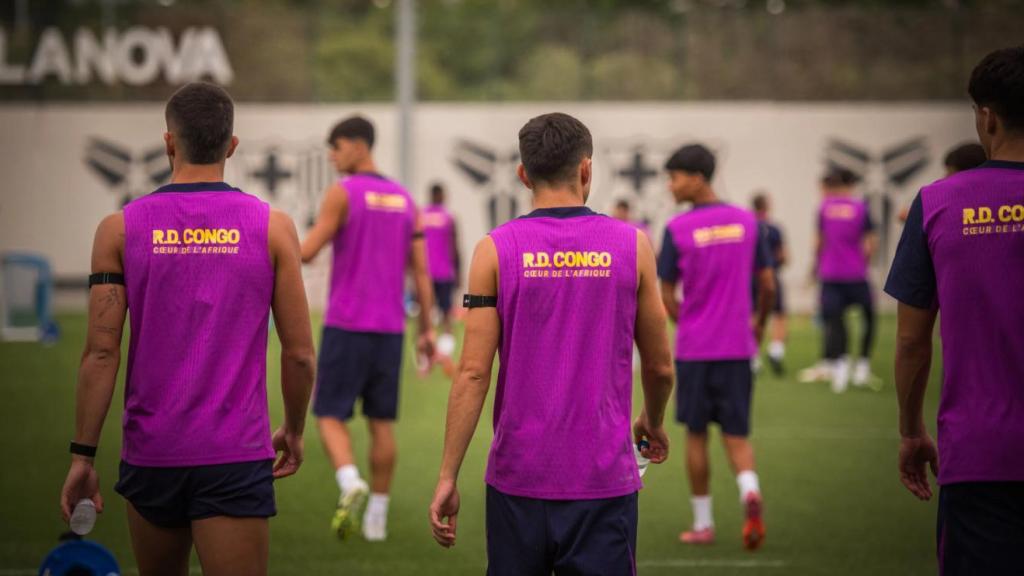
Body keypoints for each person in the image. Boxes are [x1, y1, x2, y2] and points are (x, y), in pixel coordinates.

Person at [59, 81, 315, 576]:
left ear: (168, 143)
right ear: (232, 146)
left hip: (153, 454)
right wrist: (296, 430)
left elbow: (100, 354)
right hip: (234, 454)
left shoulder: (119, 229)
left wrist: (82, 457)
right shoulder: (272, 227)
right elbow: (300, 354)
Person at [428, 113, 674, 574]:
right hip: (603, 480)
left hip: (518, 478)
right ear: (587, 169)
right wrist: (651, 421)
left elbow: (474, 372)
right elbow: (660, 368)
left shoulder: (494, 250)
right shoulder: (633, 245)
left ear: (523, 175)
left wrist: (447, 476)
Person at [885, 45, 1024, 576]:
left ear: (986, 116)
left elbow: (911, 341)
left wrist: (910, 429)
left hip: (981, 453)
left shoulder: (939, 202)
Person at [301, 115, 434, 542]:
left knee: (327, 414)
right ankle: (377, 516)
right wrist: (427, 330)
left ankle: (348, 481)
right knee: (382, 423)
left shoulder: (342, 194)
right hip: (391, 330)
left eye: (336, 146)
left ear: (358, 146)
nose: (332, 155)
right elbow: (422, 273)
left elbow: (306, 251)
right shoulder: (405, 200)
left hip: (347, 324)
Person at [658, 144, 774, 549]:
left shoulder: (676, 230)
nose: (670, 186)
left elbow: (666, 293)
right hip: (738, 349)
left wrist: (686, 320)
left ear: (697, 178)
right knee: (736, 435)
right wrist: (758, 323)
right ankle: (749, 491)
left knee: (694, 435)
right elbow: (768, 285)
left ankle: (704, 524)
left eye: (674, 178)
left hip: (694, 350)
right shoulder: (748, 222)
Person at [814, 168, 878, 393]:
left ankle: (839, 369)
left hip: (831, 275)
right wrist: (862, 262)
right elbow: (871, 243)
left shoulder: (824, 208)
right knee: (869, 318)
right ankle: (862, 365)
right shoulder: (861, 208)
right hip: (856, 274)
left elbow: (818, 243)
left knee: (835, 321)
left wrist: (816, 267)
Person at [422, 182, 461, 373]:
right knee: (447, 316)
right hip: (445, 273)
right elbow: (455, 247)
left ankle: (424, 361)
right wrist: (459, 273)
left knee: (425, 316)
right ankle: (445, 356)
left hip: (426, 275)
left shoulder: (421, 216)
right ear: (441, 196)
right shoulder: (449, 217)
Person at [751, 192, 788, 376]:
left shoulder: (748, 227)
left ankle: (753, 357)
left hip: (750, 278)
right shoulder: (774, 229)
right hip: (771, 276)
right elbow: (783, 256)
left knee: (751, 315)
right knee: (779, 314)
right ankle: (776, 350)